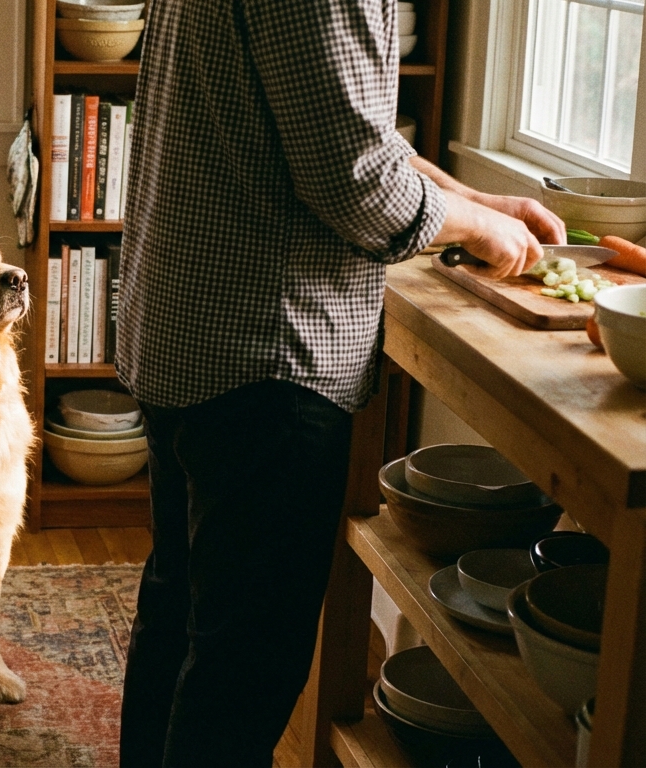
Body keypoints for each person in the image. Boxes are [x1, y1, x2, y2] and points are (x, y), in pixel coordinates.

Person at [113, 2, 564, 766]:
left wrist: (477, 203)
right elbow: (359, 185)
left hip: (187, 330)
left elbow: (339, 124)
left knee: (181, 619)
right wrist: (481, 228)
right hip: (266, 357)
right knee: (241, 671)